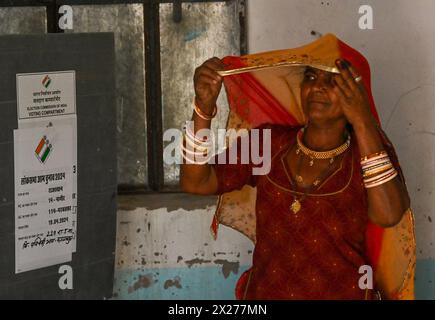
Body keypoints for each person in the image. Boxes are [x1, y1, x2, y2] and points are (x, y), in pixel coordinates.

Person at [180, 34, 415, 300]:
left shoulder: (370, 152)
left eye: (333, 81)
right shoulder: (268, 143)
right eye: (311, 78)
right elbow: (196, 182)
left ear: (358, 94)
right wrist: (203, 108)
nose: (317, 87)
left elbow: (389, 215)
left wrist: (362, 120)